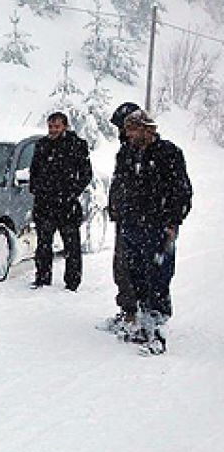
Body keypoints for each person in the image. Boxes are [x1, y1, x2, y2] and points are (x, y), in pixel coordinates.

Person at [110, 109, 192, 353]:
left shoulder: (169, 153)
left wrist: (172, 221)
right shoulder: (126, 153)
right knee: (135, 274)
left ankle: (157, 329)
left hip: (159, 226)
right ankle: (142, 323)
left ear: (147, 129)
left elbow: (182, 190)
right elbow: (119, 183)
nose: (129, 134)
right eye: (127, 130)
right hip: (132, 225)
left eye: (133, 129)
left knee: (159, 275)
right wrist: (118, 210)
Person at [28, 111, 93, 291]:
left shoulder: (77, 145)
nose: (53, 130)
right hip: (44, 203)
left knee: (71, 245)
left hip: (67, 204)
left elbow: (86, 173)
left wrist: (72, 192)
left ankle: (72, 282)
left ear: (65, 126)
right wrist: (36, 189)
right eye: (50, 126)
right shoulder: (42, 145)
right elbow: (34, 171)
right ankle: (42, 277)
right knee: (43, 244)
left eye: (57, 126)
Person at [99, 101, 141, 332]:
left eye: (122, 127)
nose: (120, 133)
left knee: (134, 267)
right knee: (122, 266)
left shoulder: (144, 151)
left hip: (140, 220)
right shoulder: (126, 151)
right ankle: (128, 310)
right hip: (125, 217)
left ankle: (137, 314)